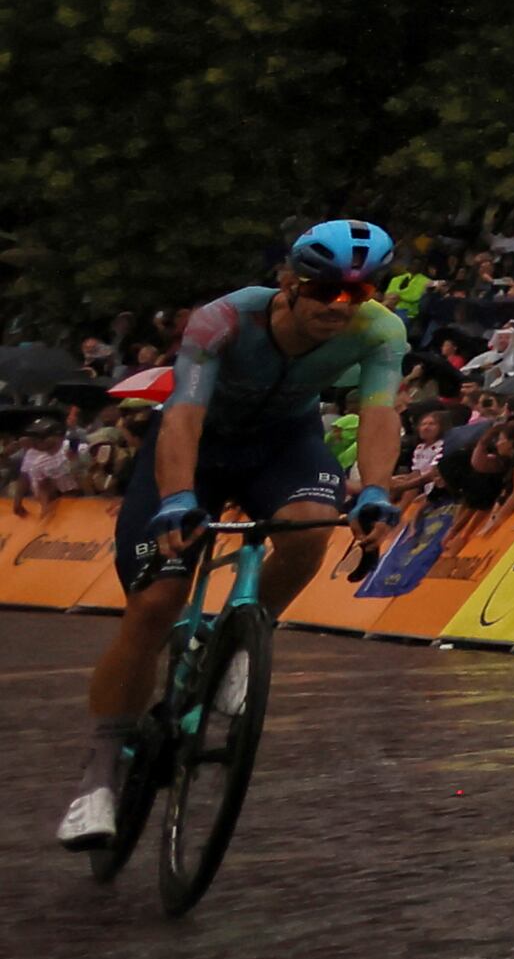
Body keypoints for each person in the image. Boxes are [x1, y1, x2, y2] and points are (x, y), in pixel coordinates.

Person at [56, 221, 410, 851]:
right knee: (155, 607)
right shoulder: (222, 321)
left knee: (307, 532)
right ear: (289, 285)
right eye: (326, 291)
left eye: (358, 293)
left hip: (283, 446)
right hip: (198, 444)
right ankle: (100, 773)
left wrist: (376, 487)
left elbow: (379, 410)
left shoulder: (380, 328)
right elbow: (185, 414)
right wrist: (177, 498)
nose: (341, 306)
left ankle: (242, 643)